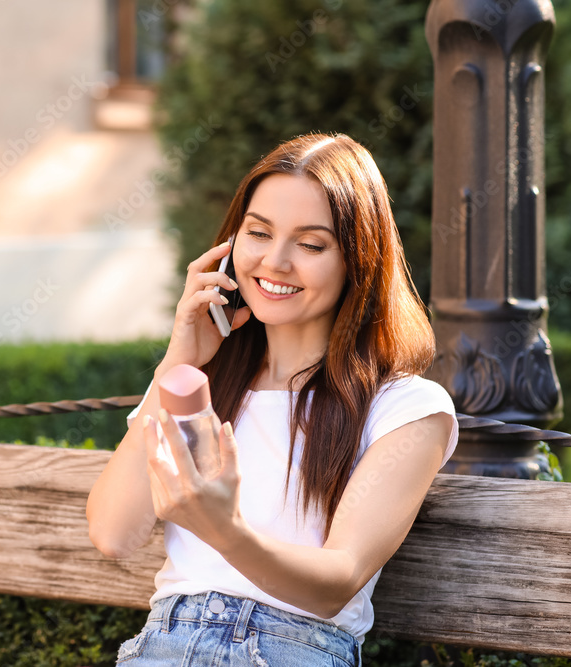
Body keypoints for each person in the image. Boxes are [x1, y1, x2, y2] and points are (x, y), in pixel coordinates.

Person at [86, 132, 458, 666]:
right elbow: (113, 532)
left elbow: (339, 579)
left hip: (293, 649)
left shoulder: (405, 408)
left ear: (359, 260)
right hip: (165, 643)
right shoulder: (195, 382)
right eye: (258, 233)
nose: (275, 262)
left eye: (310, 244)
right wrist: (179, 359)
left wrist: (225, 531)